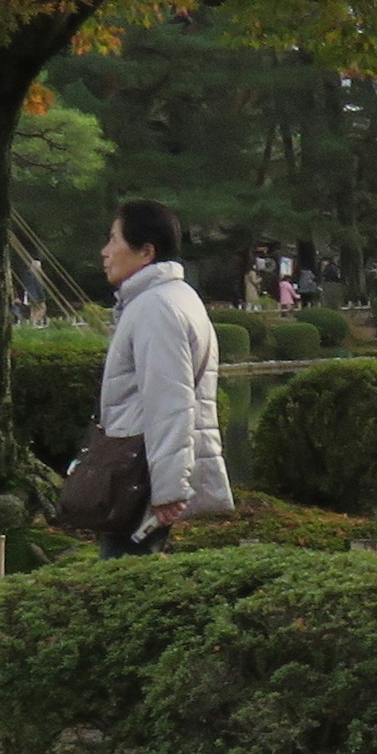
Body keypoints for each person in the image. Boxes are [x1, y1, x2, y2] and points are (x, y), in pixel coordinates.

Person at [96, 199, 231, 555]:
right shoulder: (169, 299)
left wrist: (168, 491)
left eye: (114, 240)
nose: (105, 252)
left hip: (137, 477)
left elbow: (169, 403)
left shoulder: (156, 307)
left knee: (122, 585)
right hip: (141, 474)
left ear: (146, 252)